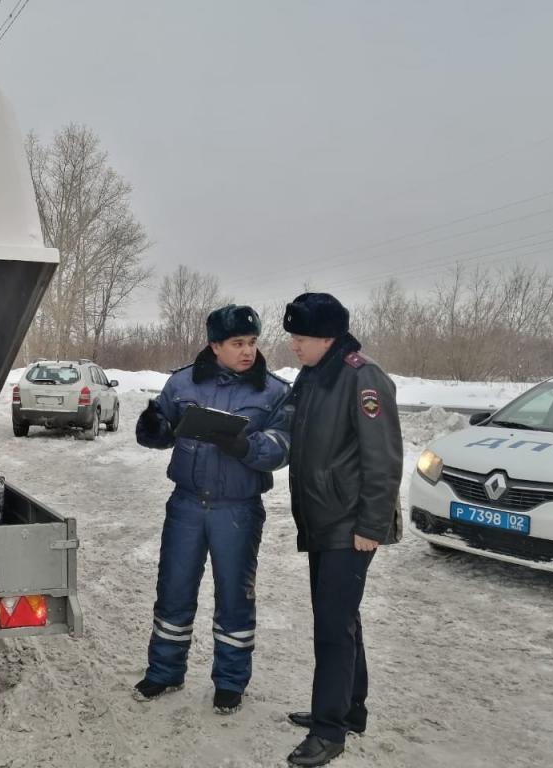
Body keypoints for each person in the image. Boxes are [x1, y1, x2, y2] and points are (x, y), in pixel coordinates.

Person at [133, 304, 291, 714]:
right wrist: (153, 428)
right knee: (174, 588)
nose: (247, 352)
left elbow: (282, 448)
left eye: (253, 343)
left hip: (237, 509)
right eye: (238, 343)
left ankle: (230, 682)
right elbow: (161, 430)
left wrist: (245, 445)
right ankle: (165, 671)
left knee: (235, 595)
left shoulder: (272, 392)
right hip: (185, 503)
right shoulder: (182, 382)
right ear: (214, 345)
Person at [281, 293, 403, 767]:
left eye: (301, 337)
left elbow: (384, 457)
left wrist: (371, 525)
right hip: (323, 519)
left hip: (350, 526)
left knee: (332, 628)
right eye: (293, 335)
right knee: (342, 619)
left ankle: (328, 730)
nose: (294, 345)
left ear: (327, 337)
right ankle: (351, 710)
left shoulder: (361, 377)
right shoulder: (316, 375)